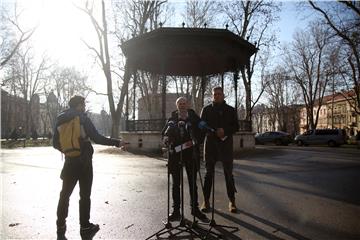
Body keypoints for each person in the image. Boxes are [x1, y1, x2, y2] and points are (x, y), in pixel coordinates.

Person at [53, 96, 126, 240]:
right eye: (84, 104)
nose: (85, 107)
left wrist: (69, 150)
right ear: (79, 105)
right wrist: (117, 142)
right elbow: (97, 137)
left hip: (69, 162)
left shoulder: (60, 119)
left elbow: (55, 143)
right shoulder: (83, 118)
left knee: (64, 194)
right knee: (84, 195)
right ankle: (85, 227)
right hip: (85, 162)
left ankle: (60, 226)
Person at [162, 97, 207, 222]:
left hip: (191, 154)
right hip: (175, 155)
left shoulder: (194, 117)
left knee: (193, 183)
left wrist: (196, 140)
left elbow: (202, 131)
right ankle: (176, 211)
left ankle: (195, 209)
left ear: (187, 105)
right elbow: (164, 134)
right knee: (176, 184)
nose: (182, 105)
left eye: (184, 103)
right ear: (177, 106)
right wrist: (167, 139)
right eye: (180, 104)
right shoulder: (172, 118)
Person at [200, 87, 239, 213]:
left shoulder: (231, 110)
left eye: (219, 94)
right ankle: (206, 201)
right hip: (210, 145)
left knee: (228, 174)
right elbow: (201, 125)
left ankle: (232, 201)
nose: (216, 96)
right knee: (208, 174)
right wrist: (212, 131)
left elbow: (236, 126)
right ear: (212, 96)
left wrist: (225, 131)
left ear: (223, 95)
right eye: (214, 94)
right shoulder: (206, 109)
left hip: (226, 146)